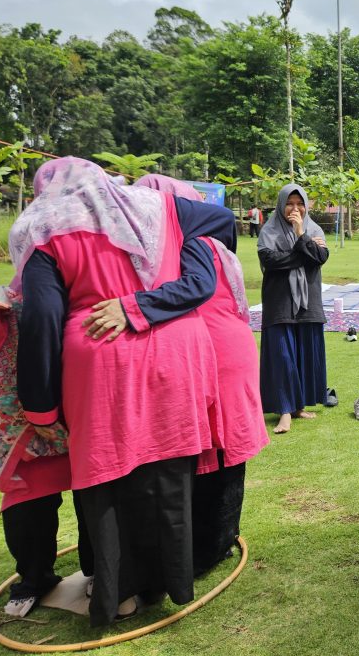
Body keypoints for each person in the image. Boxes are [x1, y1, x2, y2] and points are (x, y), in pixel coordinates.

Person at [10, 157, 236, 626]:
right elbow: (223, 218)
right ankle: (169, 581)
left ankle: (121, 591)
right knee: (166, 475)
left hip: (102, 363)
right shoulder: (154, 208)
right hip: (174, 357)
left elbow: (42, 320)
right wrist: (171, 261)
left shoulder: (44, 226)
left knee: (108, 479)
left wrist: (40, 404)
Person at [135, 174, 268, 575]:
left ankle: (213, 545)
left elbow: (195, 292)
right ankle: (212, 540)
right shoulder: (201, 241)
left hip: (215, 354)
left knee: (220, 450)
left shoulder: (190, 243)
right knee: (211, 451)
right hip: (216, 349)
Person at [0, 265, 74, 617]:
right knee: (24, 524)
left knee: (97, 508)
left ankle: (101, 570)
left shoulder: (22, 321)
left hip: (66, 431)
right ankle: (35, 578)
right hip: (12, 455)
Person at [258, 184, 330, 434]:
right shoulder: (269, 230)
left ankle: (298, 407)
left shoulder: (313, 228)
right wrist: (306, 247)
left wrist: (301, 234)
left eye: (300, 204)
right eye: (290, 203)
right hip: (280, 302)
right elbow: (271, 260)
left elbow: (320, 259)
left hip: (308, 302)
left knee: (303, 355)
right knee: (282, 356)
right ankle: (284, 412)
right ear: (280, 205)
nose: (295, 209)